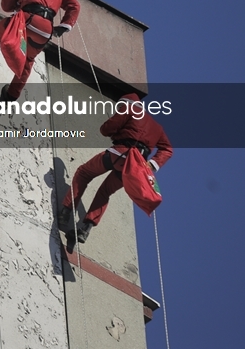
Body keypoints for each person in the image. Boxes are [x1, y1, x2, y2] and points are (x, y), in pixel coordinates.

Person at [57, 93, 173, 243]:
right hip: (135, 168)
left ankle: (65, 211)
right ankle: (86, 229)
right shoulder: (157, 127)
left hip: (120, 153)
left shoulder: (129, 109)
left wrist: (115, 128)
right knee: (105, 192)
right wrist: (152, 164)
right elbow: (168, 149)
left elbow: (106, 129)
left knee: (84, 173)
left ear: (125, 103)